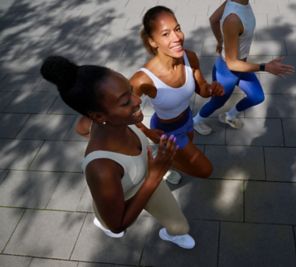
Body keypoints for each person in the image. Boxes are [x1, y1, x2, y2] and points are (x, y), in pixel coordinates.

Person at [40, 56, 195, 249]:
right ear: (98, 116)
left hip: (146, 176)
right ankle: (101, 218)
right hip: (134, 188)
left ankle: (171, 234)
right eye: (125, 102)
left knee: (180, 227)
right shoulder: (101, 169)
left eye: (130, 91)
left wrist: (146, 132)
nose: (138, 100)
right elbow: (118, 225)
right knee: (110, 221)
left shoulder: (113, 120)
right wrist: (155, 175)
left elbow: (81, 127)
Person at [130, 6, 224, 179]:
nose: (177, 38)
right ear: (152, 41)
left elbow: (201, 89)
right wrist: (145, 131)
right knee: (205, 170)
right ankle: (158, 163)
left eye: (178, 29)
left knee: (184, 152)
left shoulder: (190, 57)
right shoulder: (143, 79)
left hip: (188, 119)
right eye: (166, 34)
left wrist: (212, 89)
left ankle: (166, 159)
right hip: (166, 131)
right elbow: (121, 111)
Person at [192, 0, 295, 135]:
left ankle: (229, 116)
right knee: (216, 103)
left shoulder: (238, 3)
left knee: (257, 96)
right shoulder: (233, 19)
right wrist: (266, 67)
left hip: (241, 67)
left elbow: (213, 20)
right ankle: (195, 121)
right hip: (227, 72)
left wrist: (221, 41)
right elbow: (232, 63)